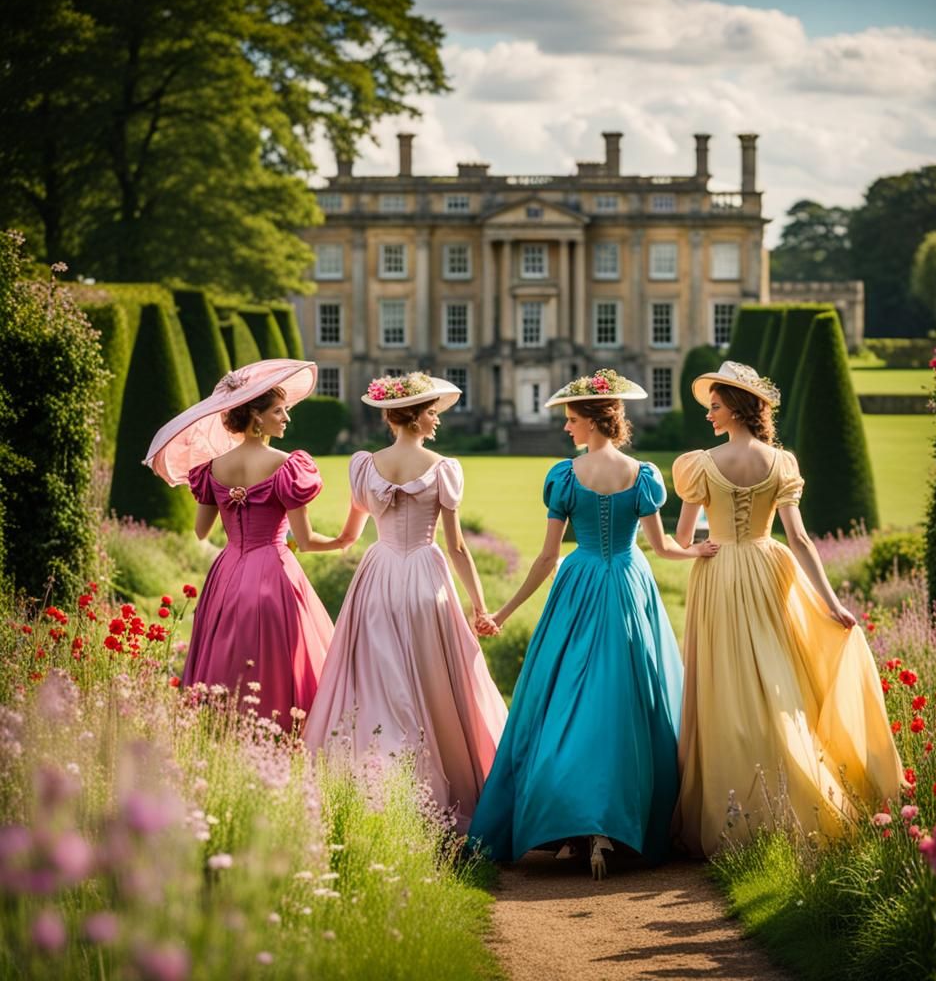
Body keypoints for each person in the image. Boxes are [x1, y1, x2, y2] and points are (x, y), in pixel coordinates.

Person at [468, 370, 719, 880]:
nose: (566, 429)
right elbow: (664, 546)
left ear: (593, 420)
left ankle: (569, 824)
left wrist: (503, 612)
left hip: (579, 582)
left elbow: (544, 560)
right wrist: (698, 550)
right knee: (628, 700)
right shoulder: (643, 474)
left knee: (561, 697)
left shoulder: (565, 475)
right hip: (629, 582)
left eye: (572, 420)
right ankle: (618, 822)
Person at [671, 361, 903, 857]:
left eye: (714, 405)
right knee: (778, 679)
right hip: (769, 569)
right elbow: (798, 538)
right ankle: (795, 796)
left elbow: (684, 539)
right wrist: (833, 603)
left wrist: (700, 551)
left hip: (718, 574)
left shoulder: (698, 464)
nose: (708, 414)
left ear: (735, 408)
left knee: (724, 682)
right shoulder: (782, 463)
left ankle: (731, 809)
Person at [303, 373, 507, 833]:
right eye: (433, 412)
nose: (438, 421)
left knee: (375, 683)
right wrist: (479, 607)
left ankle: (379, 787)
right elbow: (456, 547)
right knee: (434, 682)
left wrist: (313, 543)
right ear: (414, 416)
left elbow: (350, 535)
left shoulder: (363, 466)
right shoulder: (442, 468)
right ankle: (431, 790)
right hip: (424, 579)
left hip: (378, 576)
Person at [144, 359, 341, 724]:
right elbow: (308, 540)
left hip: (228, 573)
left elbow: (201, 532)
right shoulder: (287, 466)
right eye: (279, 411)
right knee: (281, 660)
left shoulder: (212, 467)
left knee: (228, 656)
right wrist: (344, 540)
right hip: (274, 573)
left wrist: (230, 499)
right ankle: (283, 729)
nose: (287, 418)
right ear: (255, 416)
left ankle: (225, 726)